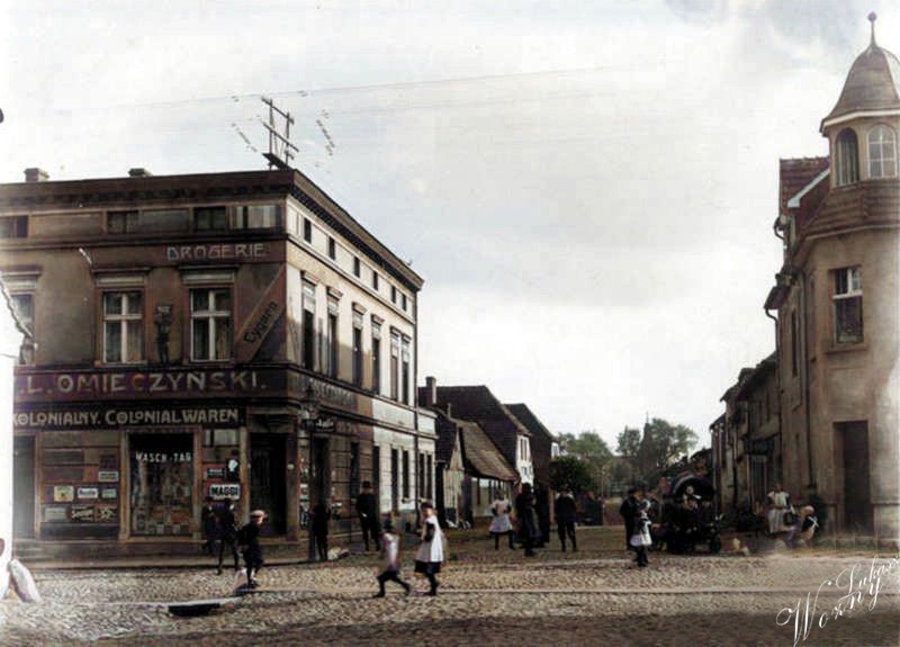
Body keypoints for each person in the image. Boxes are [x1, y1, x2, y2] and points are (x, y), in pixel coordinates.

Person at [374, 519, 412, 597]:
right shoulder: (396, 536)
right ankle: (405, 586)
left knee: (384, 577)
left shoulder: (386, 536)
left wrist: (380, 556)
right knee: (391, 577)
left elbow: (384, 547)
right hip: (394, 557)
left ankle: (406, 586)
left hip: (389, 559)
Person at [414, 502, 445, 596]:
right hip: (430, 547)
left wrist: (421, 535)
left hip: (430, 547)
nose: (424, 513)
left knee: (427, 568)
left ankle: (434, 585)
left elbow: (429, 535)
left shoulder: (430, 521)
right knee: (426, 568)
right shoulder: (432, 519)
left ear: (431, 510)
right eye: (423, 511)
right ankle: (433, 585)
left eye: (426, 510)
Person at [238, 509, 266, 589]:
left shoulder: (247, 527)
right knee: (257, 562)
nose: (261, 520)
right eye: (260, 518)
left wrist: (242, 545)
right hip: (252, 548)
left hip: (249, 547)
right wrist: (244, 545)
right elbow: (252, 535)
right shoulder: (253, 527)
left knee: (251, 564)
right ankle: (251, 578)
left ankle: (251, 579)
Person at [515, 483, 539, 557]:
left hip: (522, 516)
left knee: (525, 533)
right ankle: (529, 550)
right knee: (530, 532)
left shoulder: (519, 496)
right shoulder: (529, 496)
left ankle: (527, 549)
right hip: (528, 515)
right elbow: (533, 503)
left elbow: (517, 506)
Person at [356, 482, 381, 552]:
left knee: (375, 531)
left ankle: (377, 544)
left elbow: (374, 506)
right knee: (365, 532)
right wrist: (362, 515)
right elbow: (358, 508)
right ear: (363, 489)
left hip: (372, 516)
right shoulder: (360, 497)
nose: (367, 490)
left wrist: (375, 514)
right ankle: (367, 546)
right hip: (364, 518)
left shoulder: (372, 496)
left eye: (368, 489)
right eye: (366, 489)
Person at [217, 502, 240, 575]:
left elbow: (219, 523)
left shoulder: (221, 513)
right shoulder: (232, 513)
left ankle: (220, 567)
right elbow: (235, 523)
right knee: (235, 550)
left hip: (224, 534)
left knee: (222, 551)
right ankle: (236, 566)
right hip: (231, 534)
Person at [630, 491, 652, 567]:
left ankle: (643, 559)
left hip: (642, 529)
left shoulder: (642, 511)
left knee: (643, 546)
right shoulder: (638, 511)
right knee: (641, 546)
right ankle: (641, 560)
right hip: (640, 530)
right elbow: (639, 519)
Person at [554, 487, 578, 552]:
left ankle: (574, 545)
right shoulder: (559, 500)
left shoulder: (569, 500)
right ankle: (564, 546)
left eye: (564, 492)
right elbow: (556, 509)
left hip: (568, 518)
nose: (562, 493)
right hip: (562, 519)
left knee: (571, 533)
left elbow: (574, 508)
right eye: (562, 492)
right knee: (562, 533)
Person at [619, 487, 638, 552]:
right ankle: (629, 545)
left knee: (635, 533)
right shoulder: (627, 502)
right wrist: (628, 514)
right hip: (629, 519)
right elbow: (621, 511)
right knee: (629, 533)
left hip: (635, 519)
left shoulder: (636, 501)